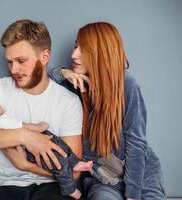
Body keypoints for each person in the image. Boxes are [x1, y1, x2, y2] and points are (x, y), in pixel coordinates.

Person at [0, 19, 84, 200]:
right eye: (9, 62)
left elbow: (75, 173)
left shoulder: (68, 101)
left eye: (21, 61)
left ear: (44, 57)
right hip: (2, 185)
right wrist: (26, 136)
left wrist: (26, 166)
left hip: (52, 186)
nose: (14, 69)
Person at [49, 22, 166, 200]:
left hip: (141, 179)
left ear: (101, 52)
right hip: (103, 181)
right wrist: (65, 72)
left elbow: (136, 142)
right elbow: (43, 77)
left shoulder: (126, 84)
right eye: (75, 46)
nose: (74, 54)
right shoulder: (75, 86)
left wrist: (132, 195)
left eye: (83, 48)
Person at [0, 94, 94, 199]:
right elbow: (24, 127)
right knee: (58, 163)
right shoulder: (2, 121)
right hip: (32, 152)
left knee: (61, 151)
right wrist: (40, 127)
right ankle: (69, 188)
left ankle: (75, 162)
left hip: (39, 161)